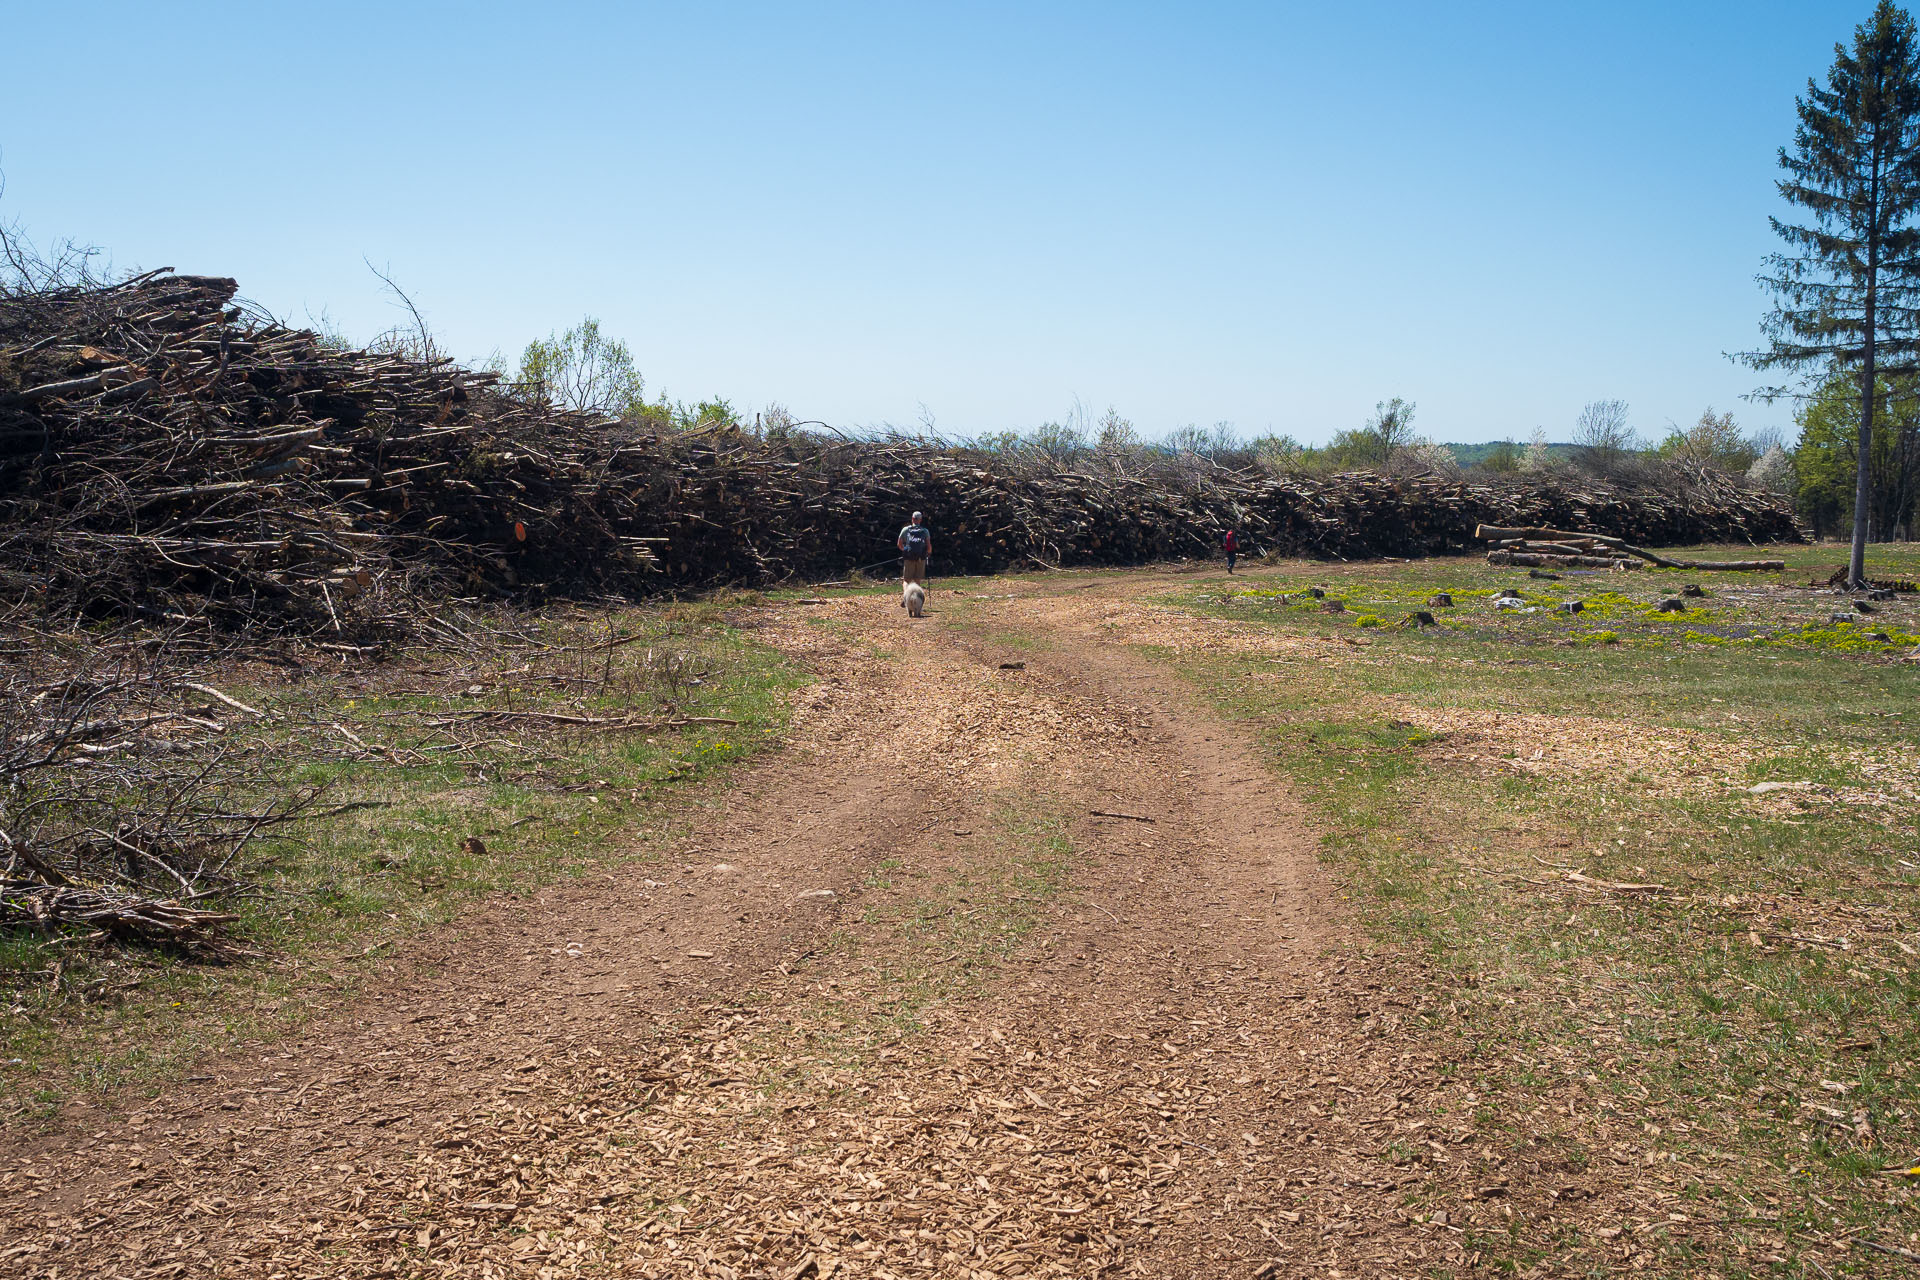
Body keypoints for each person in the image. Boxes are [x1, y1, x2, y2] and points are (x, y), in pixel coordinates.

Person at [897, 511, 932, 604]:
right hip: (921, 558)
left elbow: (899, 543)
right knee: (917, 580)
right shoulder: (925, 531)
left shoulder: (905, 530)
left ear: (912, 518)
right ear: (920, 520)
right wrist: (928, 553)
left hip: (909, 558)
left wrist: (905, 550)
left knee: (906, 580)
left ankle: (906, 598)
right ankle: (915, 600)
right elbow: (929, 546)